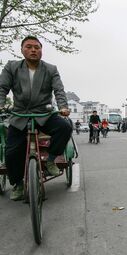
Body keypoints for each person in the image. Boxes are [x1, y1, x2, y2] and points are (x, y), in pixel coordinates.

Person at [0, 36, 72, 201]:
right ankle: (17, 183)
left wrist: (63, 107)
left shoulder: (51, 69)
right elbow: (2, 87)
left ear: (41, 50)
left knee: (65, 127)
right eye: (29, 47)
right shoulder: (12, 67)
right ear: (22, 50)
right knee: (11, 151)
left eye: (37, 47)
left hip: (43, 114)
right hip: (19, 115)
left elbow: (59, 90)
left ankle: (51, 161)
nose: (33, 50)